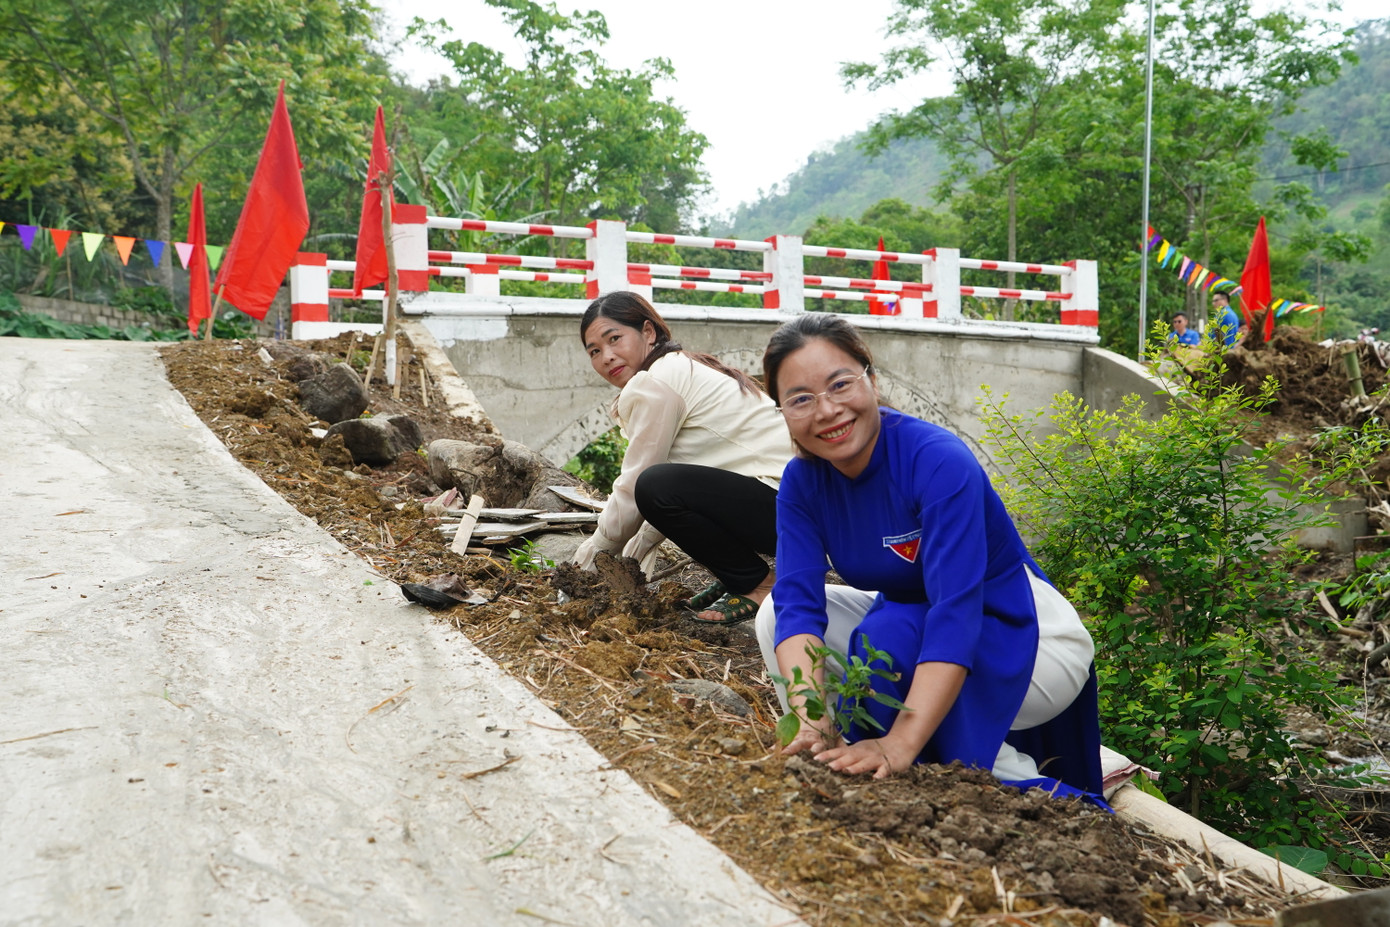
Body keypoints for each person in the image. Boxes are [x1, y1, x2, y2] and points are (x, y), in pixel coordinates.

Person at [754, 313, 1103, 796]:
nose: (827, 410)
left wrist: (900, 743)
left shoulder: (935, 459)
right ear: (783, 411)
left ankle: (1002, 775)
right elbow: (798, 602)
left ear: (871, 380)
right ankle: (828, 746)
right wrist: (808, 716)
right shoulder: (802, 482)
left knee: (892, 638)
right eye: (800, 399)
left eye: (840, 384)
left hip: (1029, 637)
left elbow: (955, 610)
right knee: (777, 613)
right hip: (914, 625)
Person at [572, 291, 793, 624]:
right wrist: (631, 554)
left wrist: (591, 556)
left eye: (614, 339)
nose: (607, 357)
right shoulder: (676, 368)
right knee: (659, 485)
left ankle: (758, 584)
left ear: (648, 332)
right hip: (793, 507)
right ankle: (739, 574)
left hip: (789, 508)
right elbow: (684, 488)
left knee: (653, 485)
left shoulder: (656, 382)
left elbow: (639, 488)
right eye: (594, 351)